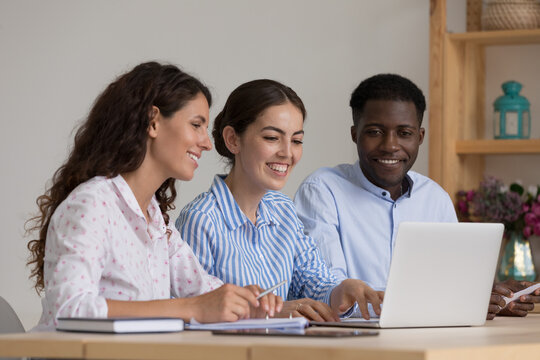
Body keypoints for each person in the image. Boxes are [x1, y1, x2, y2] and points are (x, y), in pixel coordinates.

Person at [26, 62, 280, 331]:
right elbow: (67, 310)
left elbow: (202, 291)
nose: (206, 143)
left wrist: (248, 302)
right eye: (196, 125)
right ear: (153, 121)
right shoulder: (92, 204)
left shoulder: (157, 222)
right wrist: (190, 308)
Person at [294, 73, 539, 319]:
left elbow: (453, 284)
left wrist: (488, 299)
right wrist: (448, 303)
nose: (390, 145)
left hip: (429, 339)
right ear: (354, 134)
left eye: (404, 133)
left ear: (419, 137)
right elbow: (332, 296)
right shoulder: (322, 191)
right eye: (375, 132)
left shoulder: (435, 198)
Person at [176, 79, 383, 322]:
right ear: (233, 139)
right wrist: (270, 313)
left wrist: (341, 291)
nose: (287, 153)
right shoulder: (200, 219)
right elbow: (195, 311)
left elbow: (311, 279)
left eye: (296, 140)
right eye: (272, 138)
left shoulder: (282, 209)